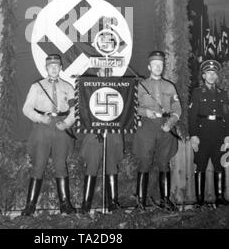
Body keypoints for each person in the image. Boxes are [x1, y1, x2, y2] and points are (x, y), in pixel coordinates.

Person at [22, 54, 76, 215]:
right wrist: (40, 118)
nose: (53, 68)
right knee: (39, 165)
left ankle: (65, 204)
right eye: (50, 66)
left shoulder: (68, 87)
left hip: (61, 127)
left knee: (61, 165)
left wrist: (67, 123)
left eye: (56, 66)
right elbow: (26, 108)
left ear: (60, 68)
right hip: (43, 127)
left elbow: (75, 111)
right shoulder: (37, 86)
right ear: (46, 68)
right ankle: (30, 206)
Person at [132, 51, 181, 210]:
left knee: (164, 163)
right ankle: (140, 202)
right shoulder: (141, 86)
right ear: (149, 66)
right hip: (147, 126)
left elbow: (177, 108)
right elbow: (132, 108)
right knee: (144, 162)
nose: (158, 67)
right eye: (155, 65)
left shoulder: (169, 86)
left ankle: (165, 201)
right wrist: (145, 112)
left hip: (165, 126)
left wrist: (171, 123)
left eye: (160, 65)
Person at [79, 67, 123, 214]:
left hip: (112, 133)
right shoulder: (89, 88)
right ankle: (86, 205)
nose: (105, 74)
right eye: (103, 71)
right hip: (93, 133)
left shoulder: (119, 89)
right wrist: (95, 128)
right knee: (91, 165)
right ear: (98, 73)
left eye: (108, 71)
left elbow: (124, 111)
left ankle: (112, 204)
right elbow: (83, 110)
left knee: (111, 166)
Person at [189, 59, 229, 207]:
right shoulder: (197, 92)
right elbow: (192, 115)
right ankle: (199, 200)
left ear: (217, 76)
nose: (211, 76)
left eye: (214, 73)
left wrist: (227, 136)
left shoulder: (222, 94)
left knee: (219, 165)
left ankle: (219, 197)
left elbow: (226, 115)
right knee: (200, 165)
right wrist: (193, 135)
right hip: (202, 135)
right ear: (203, 76)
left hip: (218, 135)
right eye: (208, 73)